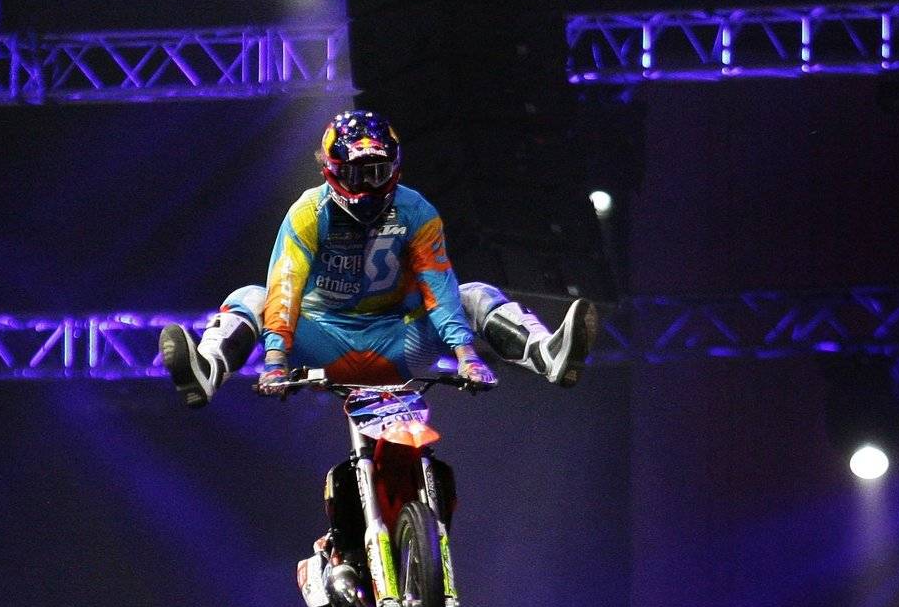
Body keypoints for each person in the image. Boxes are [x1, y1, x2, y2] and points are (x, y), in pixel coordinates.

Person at [159, 109, 597, 406]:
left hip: (398, 341)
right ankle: (207, 369)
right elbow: (285, 288)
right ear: (331, 170)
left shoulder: (417, 211)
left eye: (378, 172)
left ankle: (547, 354)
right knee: (253, 296)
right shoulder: (308, 213)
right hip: (323, 343)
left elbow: (438, 286)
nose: (367, 187)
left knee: (473, 293)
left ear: (395, 168)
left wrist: (465, 354)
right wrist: (275, 360)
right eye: (356, 175)